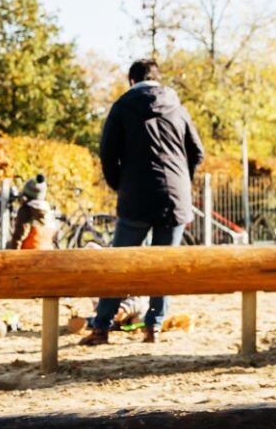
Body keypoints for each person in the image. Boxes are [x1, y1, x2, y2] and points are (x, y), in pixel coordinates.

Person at [83, 60, 206, 345]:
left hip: (136, 196)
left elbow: (107, 153)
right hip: (175, 198)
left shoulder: (122, 107)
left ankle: (102, 327)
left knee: (120, 263)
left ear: (131, 80)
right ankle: (154, 327)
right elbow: (197, 152)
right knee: (164, 266)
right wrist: (182, 183)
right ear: (157, 79)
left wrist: (119, 185)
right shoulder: (178, 107)